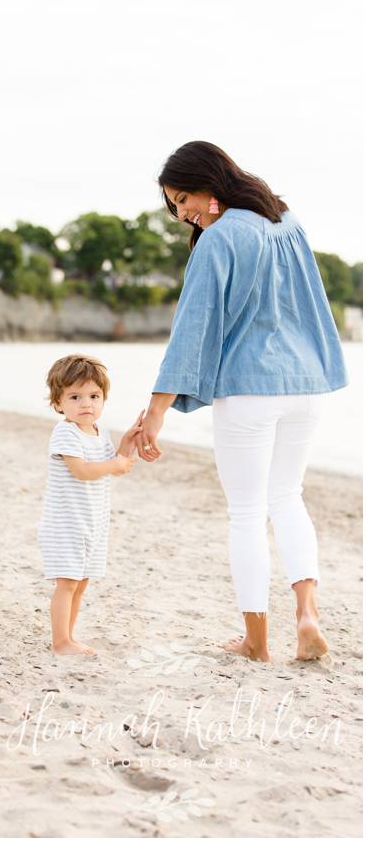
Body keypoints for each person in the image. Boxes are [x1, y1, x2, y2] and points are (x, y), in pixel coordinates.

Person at [143, 140, 348, 662]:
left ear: (210, 185)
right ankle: (307, 614)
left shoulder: (219, 241)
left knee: (246, 513)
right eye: (174, 205)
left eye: (183, 198)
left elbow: (192, 331)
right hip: (305, 387)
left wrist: (156, 411)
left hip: (250, 388)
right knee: (288, 496)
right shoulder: (287, 220)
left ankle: (256, 642)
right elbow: (312, 304)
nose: (182, 212)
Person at [38, 354, 140, 655]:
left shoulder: (99, 432)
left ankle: (69, 635)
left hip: (91, 523)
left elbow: (108, 461)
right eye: (75, 397)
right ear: (58, 404)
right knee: (67, 583)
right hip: (65, 524)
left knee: (81, 583)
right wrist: (116, 466)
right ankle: (61, 642)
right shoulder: (65, 432)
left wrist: (127, 444)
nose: (86, 404)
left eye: (94, 396)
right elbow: (82, 471)